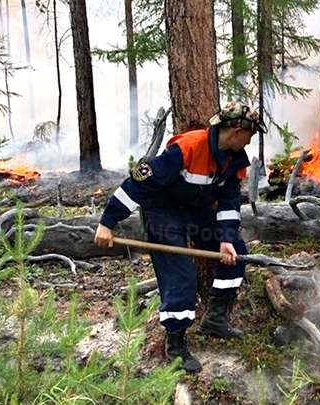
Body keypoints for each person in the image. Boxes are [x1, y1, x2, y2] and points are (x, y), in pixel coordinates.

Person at [94, 102, 266, 373]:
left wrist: (226, 238)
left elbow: (229, 202)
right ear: (235, 131)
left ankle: (215, 318)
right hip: (163, 213)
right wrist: (107, 222)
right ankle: (175, 345)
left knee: (237, 253)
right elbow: (139, 183)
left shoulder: (234, 159)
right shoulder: (187, 148)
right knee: (181, 275)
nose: (251, 139)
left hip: (196, 212)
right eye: (250, 134)